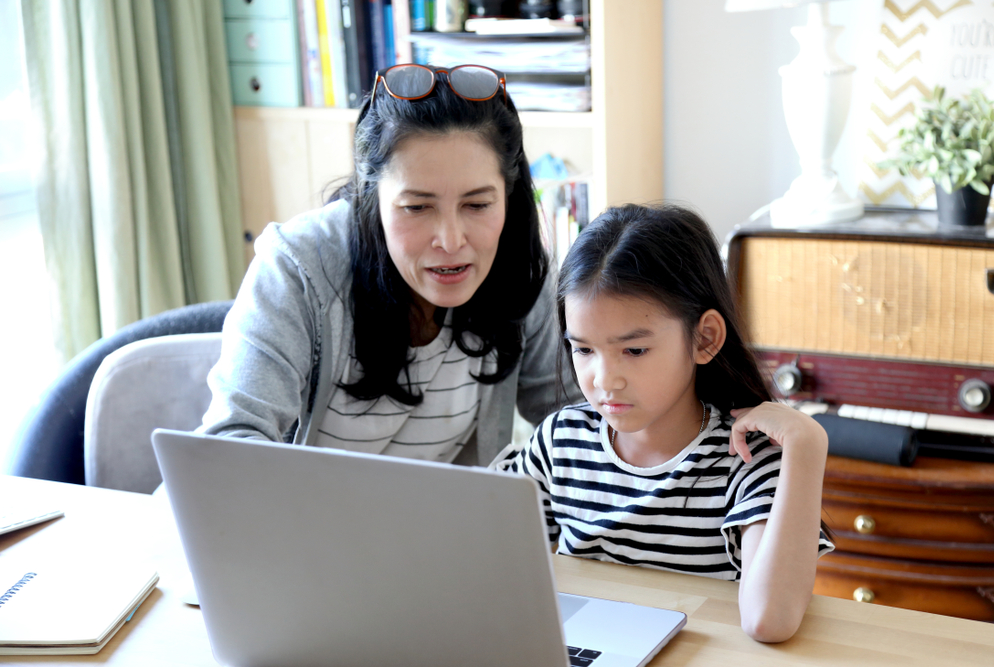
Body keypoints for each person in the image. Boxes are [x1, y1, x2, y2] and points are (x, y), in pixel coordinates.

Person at [200, 64, 579, 466]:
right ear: (370, 197)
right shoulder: (297, 267)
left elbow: (576, 425)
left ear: (508, 194)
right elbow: (228, 447)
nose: (451, 241)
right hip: (303, 522)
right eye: (417, 207)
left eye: (477, 205)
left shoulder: (516, 267)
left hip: (438, 525)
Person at [493, 203, 833, 643]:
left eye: (633, 351)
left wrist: (807, 443)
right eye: (583, 350)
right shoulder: (561, 443)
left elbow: (770, 620)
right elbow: (493, 564)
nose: (604, 379)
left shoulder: (746, 458)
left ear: (704, 338)